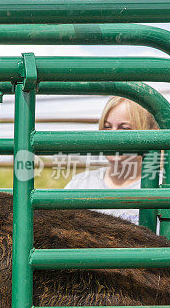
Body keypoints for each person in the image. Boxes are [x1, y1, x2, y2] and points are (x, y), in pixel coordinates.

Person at [63, 96, 158, 224]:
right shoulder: (80, 184)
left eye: (124, 128)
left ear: (150, 133)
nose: (112, 136)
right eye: (107, 127)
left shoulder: (163, 186)